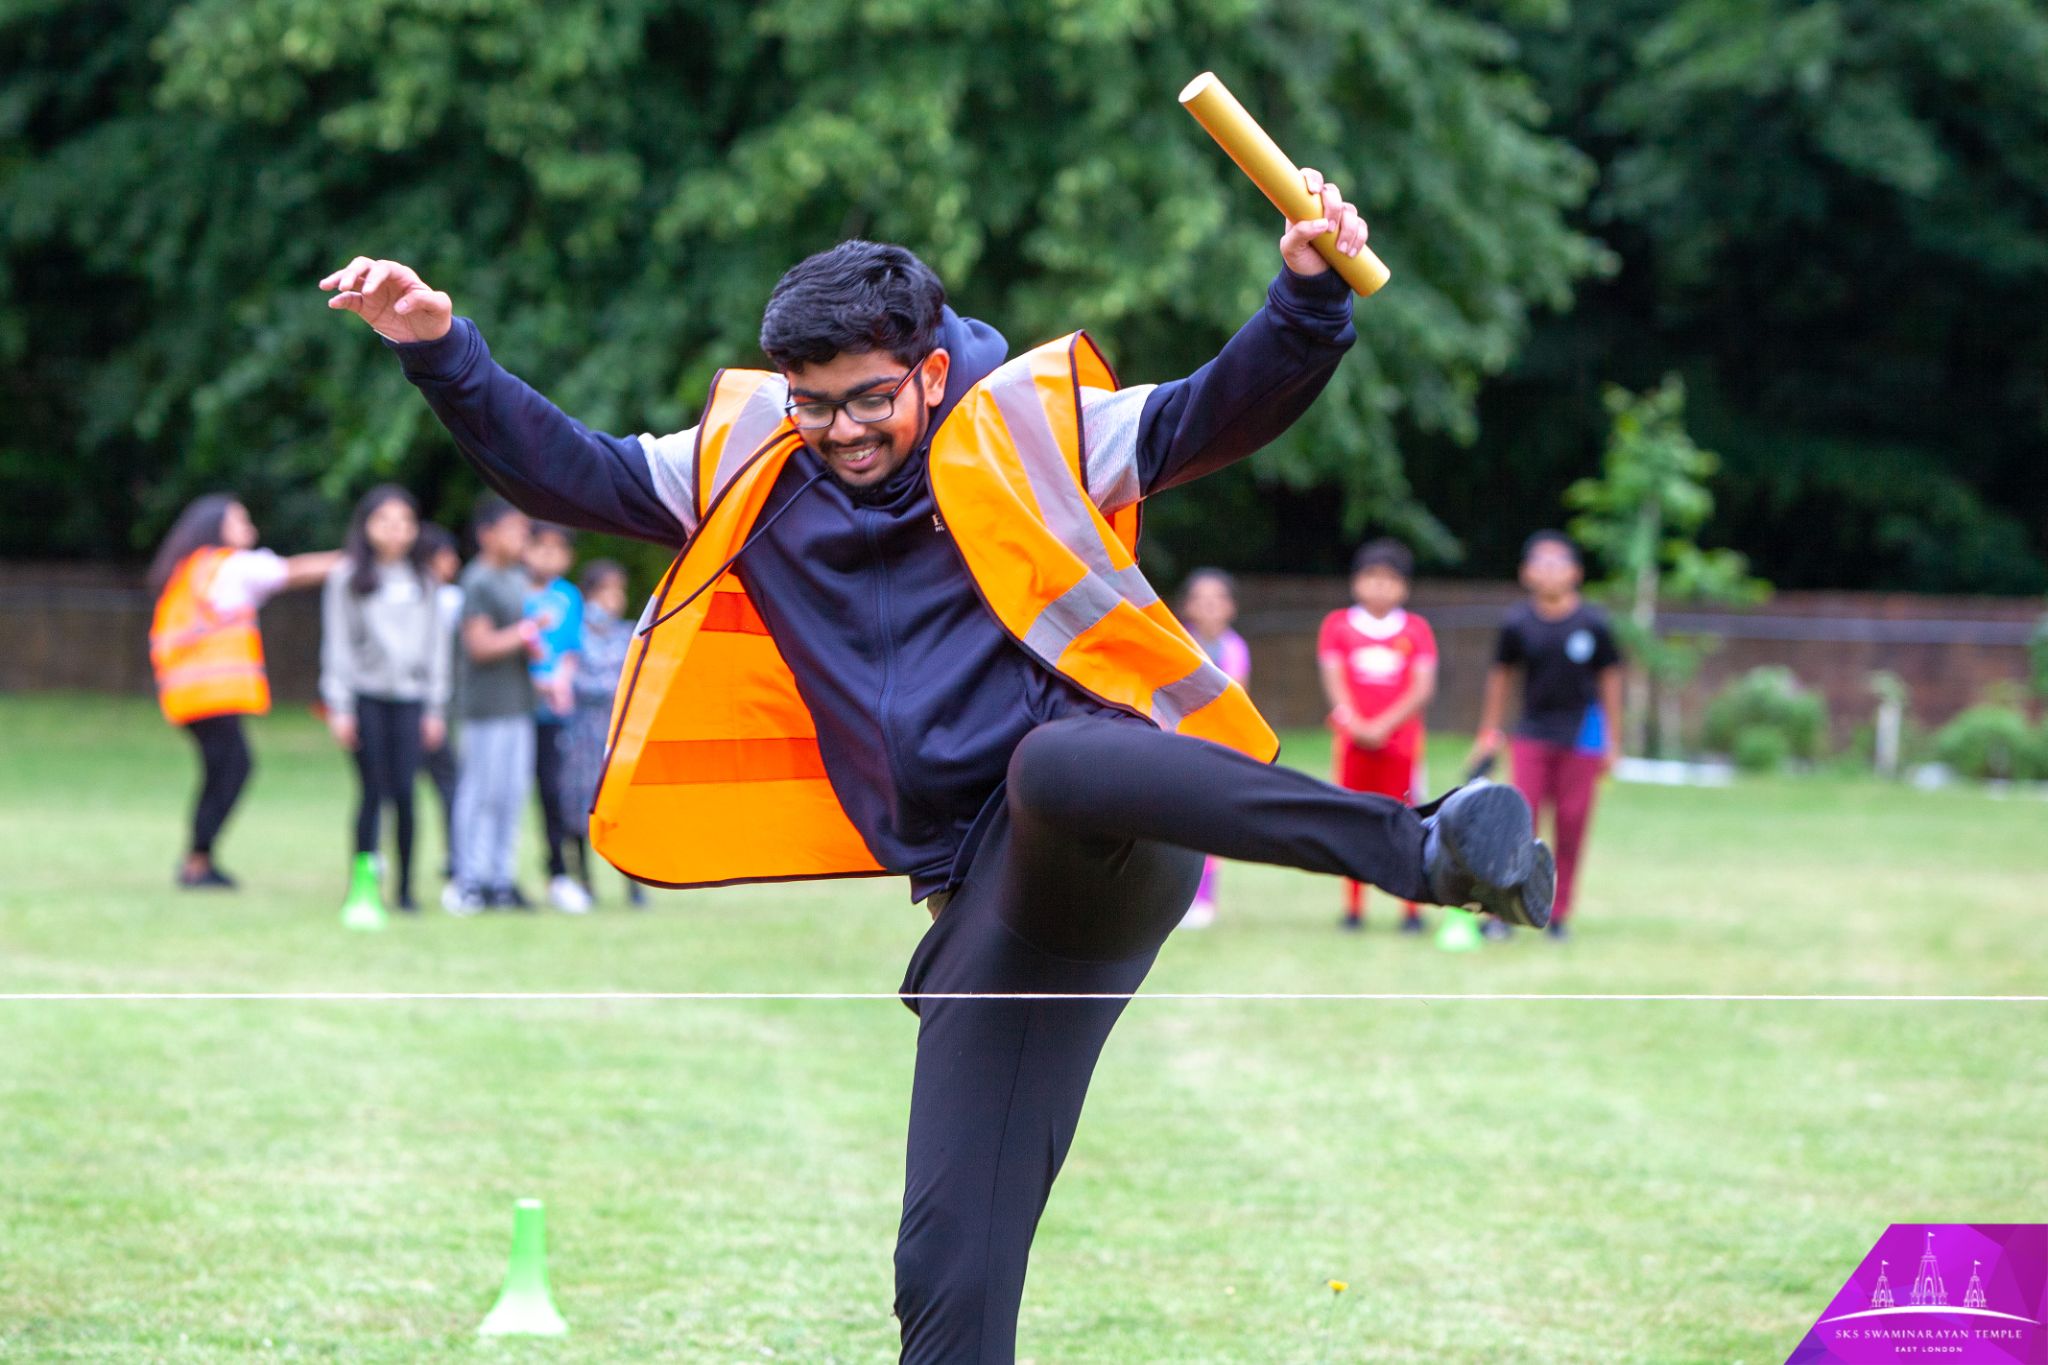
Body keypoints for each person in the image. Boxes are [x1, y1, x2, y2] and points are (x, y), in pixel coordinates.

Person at [322, 172, 1553, 1362]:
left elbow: (1206, 413)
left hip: (1113, 820)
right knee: (944, 1274)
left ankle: (1427, 848)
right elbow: (572, 469)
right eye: (812, 402)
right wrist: (440, 349)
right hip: (986, 906)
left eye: (865, 400)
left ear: (922, 367)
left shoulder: (1029, 422)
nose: (838, 432)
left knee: (1058, 765)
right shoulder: (749, 459)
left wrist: (1304, 301)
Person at [148, 495, 340, 889]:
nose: (249, 526)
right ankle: (197, 861)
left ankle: (199, 859)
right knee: (232, 770)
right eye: (241, 519)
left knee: (223, 770)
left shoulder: (192, 569)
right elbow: (295, 570)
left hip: (188, 695)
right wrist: (356, 556)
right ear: (217, 527)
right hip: (211, 694)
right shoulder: (230, 567)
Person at [1468, 530, 1624, 940]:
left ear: (1576, 572)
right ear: (1526, 573)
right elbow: (1500, 677)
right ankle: (1504, 914)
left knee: (1572, 824)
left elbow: (1610, 679)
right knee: (1520, 822)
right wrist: (1490, 730)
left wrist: (1613, 739)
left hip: (1583, 736)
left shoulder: (1593, 622)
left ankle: (1558, 913)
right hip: (1533, 733)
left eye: (1559, 563)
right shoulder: (1518, 623)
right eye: (1542, 563)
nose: (1551, 571)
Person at [319, 485, 450, 913]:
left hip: (411, 701)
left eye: (404, 523)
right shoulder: (348, 578)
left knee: (406, 795)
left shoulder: (425, 581)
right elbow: (337, 645)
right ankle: (363, 887)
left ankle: (407, 890)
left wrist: (435, 707)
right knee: (372, 793)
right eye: (385, 522)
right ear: (366, 526)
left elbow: (436, 649)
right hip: (366, 699)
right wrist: (339, 706)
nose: (395, 532)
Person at [1319, 538, 1438, 932]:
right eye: (1372, 577)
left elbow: (1421, 688)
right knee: (1353, 818)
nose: (1380, 587)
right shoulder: (1338, 626)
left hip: (1400, 746)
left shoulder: (1416, 630)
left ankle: (1410, 909)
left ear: (1404, 587)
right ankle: (1353, 907)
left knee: (1405, 820)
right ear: (1356, 582)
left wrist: (1383, 726)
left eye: (1390, 579)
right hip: (1353, 743)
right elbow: (1334, 677)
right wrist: (1356, 723)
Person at [446, 496, 540, 914]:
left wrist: (534, 641)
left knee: (511, 794)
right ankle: (469, 880)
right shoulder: (478, 580)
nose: (522, 536)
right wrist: (524, 634)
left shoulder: (518, 578)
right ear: (487, 535)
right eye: (513, 528)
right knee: (479, 793)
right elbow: (478, 644)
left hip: (520, 703)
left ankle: (501, 880)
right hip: (486, 707)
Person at [559, 558, 645, 907]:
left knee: (624, 809)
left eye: (618, 591)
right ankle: (585, 881)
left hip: (618, 734)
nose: (613, 599)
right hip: (581, 736)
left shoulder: (629, 633)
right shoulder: (573, 633)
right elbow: (575, 682)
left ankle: (634, 884)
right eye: (605, 591)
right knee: (580, 806)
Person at [1174, 568, 1251, 929]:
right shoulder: (1177, 641)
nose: (1209, 606)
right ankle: (1176, 899)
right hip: (1182, 744)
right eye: (1201, 599)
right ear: (1188, 605)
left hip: (1217, 747)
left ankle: (1205, 899)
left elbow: (1235, 697)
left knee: (1208, 827)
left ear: (1230, 607)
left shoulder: (1235, 649)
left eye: (1217, 599)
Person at [522, 523, 590, 913]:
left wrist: (559, 682)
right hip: (515, 708)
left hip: (555, 715)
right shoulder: (513, 590)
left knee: (553, 793)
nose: (548, 556)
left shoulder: (568, 597)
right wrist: (539, 683)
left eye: (557, 549)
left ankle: (559, 874)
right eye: (540, 547)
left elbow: (569, 649)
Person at [417, 522, 465, 886]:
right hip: (430, 707)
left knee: (393, 787)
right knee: (448, 784)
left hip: (412, 705)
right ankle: (455, 856)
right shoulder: (447, 599)